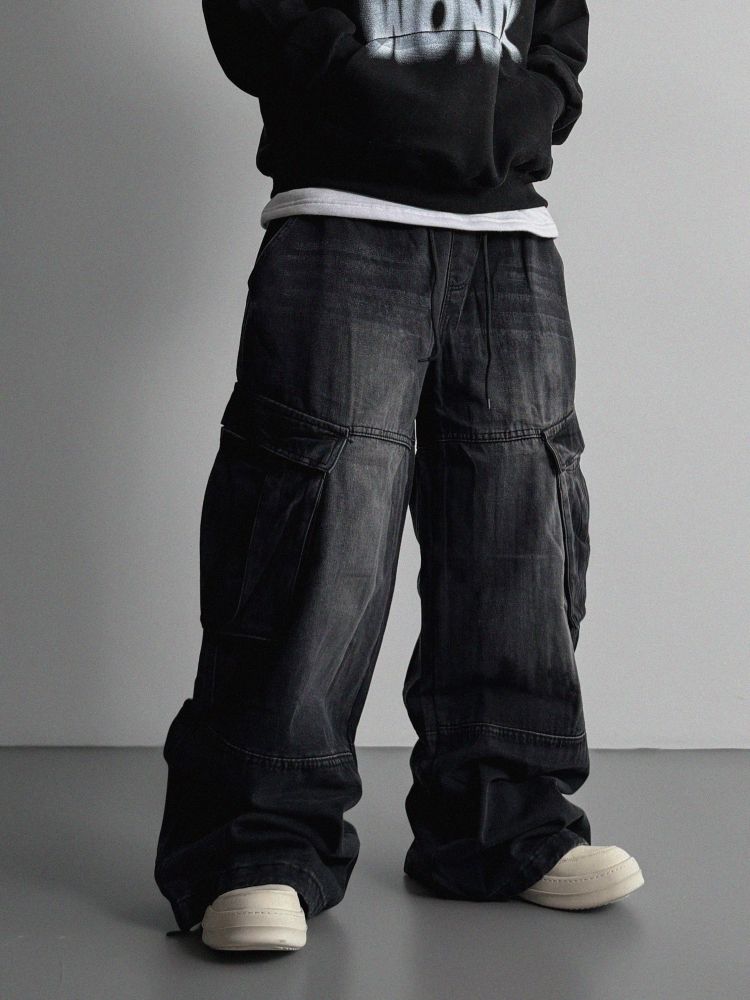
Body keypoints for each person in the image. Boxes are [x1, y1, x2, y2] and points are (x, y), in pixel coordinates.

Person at [154, 0, 644, 951]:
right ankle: (254, 847)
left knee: (520, 528)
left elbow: (558, 26)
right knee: (318, 524)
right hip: (344, 212)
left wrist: (531, 104)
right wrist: (369, 93)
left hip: (510, 227)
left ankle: (503, 825)